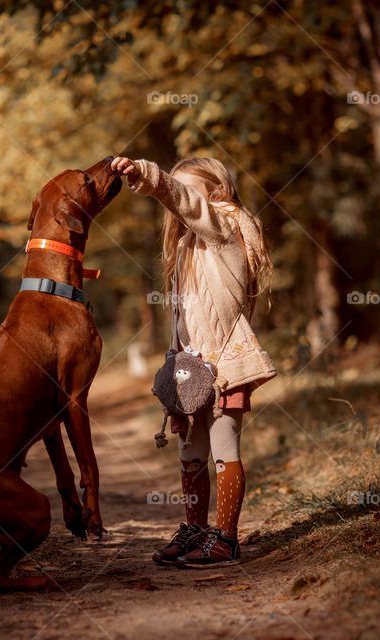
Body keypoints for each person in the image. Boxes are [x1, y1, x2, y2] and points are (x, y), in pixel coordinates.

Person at [112, 155, 277, 567]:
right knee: (190, 453)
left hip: (225, 361)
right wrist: (173, 362)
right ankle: (197, 532)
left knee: (224, 448)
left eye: (185, 187)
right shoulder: (188, 245)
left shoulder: (224, 227)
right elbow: (184, 317)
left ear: (215, 191)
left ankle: (225, 539)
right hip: (192, 367)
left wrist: (151, 177)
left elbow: (188, 203)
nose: (179, 196)